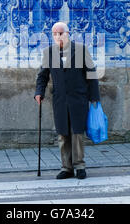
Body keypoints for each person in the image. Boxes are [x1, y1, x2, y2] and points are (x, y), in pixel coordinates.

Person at [34, 22, 100, 180]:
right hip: (60, 100)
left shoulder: (81, 50)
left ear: (68, 34)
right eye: (55, 34)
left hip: (78, 98)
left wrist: (94, 97)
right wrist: (39, 92)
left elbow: (91, 74)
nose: (58, 36)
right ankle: (66, 167)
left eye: (61, 33)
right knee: (63, 134)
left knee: (77, 132)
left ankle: (79, 166)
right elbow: (42, 76)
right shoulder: (48, 53)